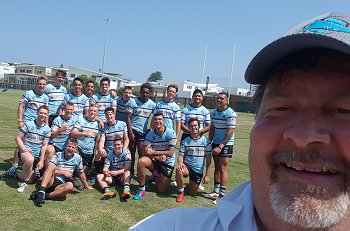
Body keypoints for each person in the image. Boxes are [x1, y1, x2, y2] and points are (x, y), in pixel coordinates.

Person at [130, 12, 350, 231]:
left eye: (344, 110)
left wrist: (219, 143)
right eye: (282, 108)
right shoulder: (170, 227)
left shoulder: (215, 115)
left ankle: (217, 188)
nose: (304, 136)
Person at [4, 76, 49, 177]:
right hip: (27, 122)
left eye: (43, 84)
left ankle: (28, 164)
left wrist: (46, 124)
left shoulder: (45, 97)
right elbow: (21, 106)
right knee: (21, 143)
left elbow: (46, 111)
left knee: (35, 143)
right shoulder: (29, 93)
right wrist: (20, 120)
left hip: (39, 124)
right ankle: (14, 166)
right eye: (40, 84)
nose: (41, 86)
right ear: (36, 84)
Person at [31, 138, 93, 206]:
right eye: (69, 146)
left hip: (60, 185)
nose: (70, 148)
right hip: (51, 180)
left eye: (73, 147)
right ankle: (42, 191)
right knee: (51, 166)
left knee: (70, 185)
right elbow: (49, 170)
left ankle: (45, 196)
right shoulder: (57, 155)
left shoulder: (78, 158)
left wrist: (87, 186)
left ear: (76, 149)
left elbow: (81, 173)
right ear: (66, 147)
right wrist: (63, 172)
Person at [133, 112, 176, 200]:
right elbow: (145, 152)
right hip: (156, 160)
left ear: (163, 121)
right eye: (155, 119)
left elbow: (170, 153)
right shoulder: (150, 134)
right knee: (141, 161)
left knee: (161, 191)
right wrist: (157, 157)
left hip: (167, 163)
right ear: (152, 121)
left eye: (160, 119)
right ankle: (141, 188)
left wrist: (155, 152)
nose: (157, 121)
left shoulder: (171, 133)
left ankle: (156, 176)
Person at [204, 91, 236, 204]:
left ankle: (222, 195)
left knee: (223, 168)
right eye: (218, 98)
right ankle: (216, 191)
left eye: (222, 98)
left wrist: (221, 146)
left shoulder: (230, 113)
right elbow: (212, 128)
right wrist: (210, 141)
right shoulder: (213, 113)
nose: (219, 100)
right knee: (216, 166)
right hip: (215, 142)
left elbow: (230, 131)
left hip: (226, 144)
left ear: (227, 101)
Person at [14, 105, 51, 193]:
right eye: (41, 113)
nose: (42, 115)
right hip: (25, 152)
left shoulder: (47, 129)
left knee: (32, 179)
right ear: (37, 113)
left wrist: (41, 160)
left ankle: (15, 173)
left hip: (37, 155)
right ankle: (24, 184)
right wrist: (24, 148)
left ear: (47, 115)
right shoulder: (28, 124)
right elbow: (18, 138)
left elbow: (44, 146)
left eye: (45, 113)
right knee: (30, 159)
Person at [175, 118, 212, 202]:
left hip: (198, 170)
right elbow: (181, 155)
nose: (193, 127)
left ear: (199, 126)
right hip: (187, 166)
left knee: (192, 193)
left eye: (195, 125)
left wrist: (207, 175)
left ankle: (190, 185)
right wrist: (180, 163)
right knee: (179, 170)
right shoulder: (185, 141)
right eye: (191, 126)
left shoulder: (206, 141)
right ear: (189, 127)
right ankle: (180, 192)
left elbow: (209, 160)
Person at [127, 83, 156, 179]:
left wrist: (151, 129)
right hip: (133, 130)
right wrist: (130, 132)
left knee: (141, 152)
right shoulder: (133, 102)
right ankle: (131, 172)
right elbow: (128, 117)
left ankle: (140, 172)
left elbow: (155, 117)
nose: (145, 94)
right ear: (140, 92)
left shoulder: (152, 104)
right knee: (131, 152)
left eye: (147, 93)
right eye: (143, 92)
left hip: (143, 132)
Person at [96, 107, 129, 176]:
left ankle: (128, 171)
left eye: (110, 114)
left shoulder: (122, 124)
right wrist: (101, 148)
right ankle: (97, 172)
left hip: (120, 149)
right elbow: (102, 140)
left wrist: (125, 148)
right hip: (109, 151)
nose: (109, 116)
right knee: (97, 153)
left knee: (127, 153)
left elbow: (126, 138)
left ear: (114, 115)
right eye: (107, 115)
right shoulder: (104, 128)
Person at [96, 136, 132, 200]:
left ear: (122, 144)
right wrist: (106, 172)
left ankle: (126, 190)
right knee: (99, 176)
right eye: (115, 145)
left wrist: (117, 172)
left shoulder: (127, 153)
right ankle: (108, 192)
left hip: (122, 176)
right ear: (112, 145)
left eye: (118, 144)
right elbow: (105, 167)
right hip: (112, 176)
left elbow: (127, 167)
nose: (116, 147)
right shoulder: (110, 154)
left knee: (128, 172)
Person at [71, 103, 100, 179]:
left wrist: (96, 151)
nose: (92, 112)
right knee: (76, 172)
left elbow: (97, 140)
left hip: (89, 152)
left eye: (94, 111)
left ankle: (90, 169)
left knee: (82, 174)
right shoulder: (81, 120)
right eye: (91, 110)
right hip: (78, 149)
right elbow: (73, 133)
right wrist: (84, 133)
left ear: (97, 113)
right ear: (88, 111)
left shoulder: (99, 125)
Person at [45, 102, 78, 167]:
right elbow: (51, 136)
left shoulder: (75, 119)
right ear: (64, 110)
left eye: (71, 109)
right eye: (67, 109)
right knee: (50, 150)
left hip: (67, 145)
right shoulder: (57, 120)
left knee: (77, 152)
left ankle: (70, 171)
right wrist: (60, 130)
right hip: (55, 144)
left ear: (73, 110)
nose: (69, 111)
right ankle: (47, 170)